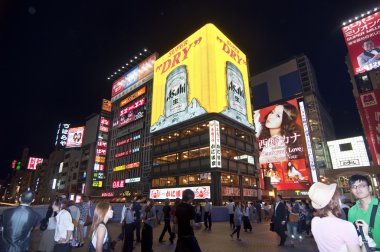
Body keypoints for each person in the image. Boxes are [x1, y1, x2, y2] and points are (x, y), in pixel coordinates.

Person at [309, 182, 376, 252]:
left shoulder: (315, 222)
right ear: (334, 201)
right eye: (338, 196)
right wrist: (365, 236)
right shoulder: (346, 226)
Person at [348, 174, 380, 249]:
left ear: (370, 189)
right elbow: (353, 235)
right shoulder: (352, 211)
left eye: (362, 186)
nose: (357, 189)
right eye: (353, 187)